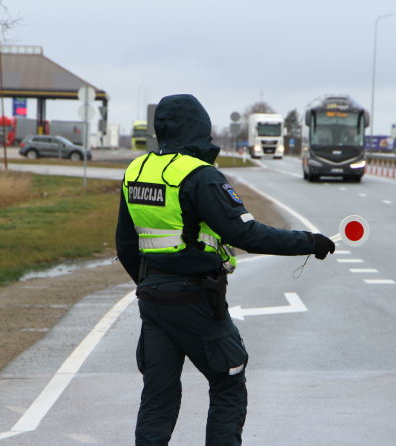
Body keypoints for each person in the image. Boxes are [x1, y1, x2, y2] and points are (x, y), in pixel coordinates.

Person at [116, 94, 336, 446]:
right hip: (197, 301)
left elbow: (126, 246)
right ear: (201, 129)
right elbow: (244, 233)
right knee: (228, 382)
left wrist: (151, 283)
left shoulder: (137, 171)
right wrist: (308, 242)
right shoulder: (201, 176)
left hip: (153, 301)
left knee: (158, 396)